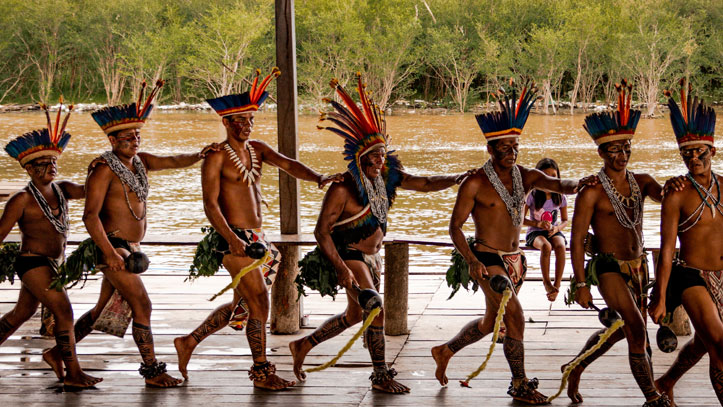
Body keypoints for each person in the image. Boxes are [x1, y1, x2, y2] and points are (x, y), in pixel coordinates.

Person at [289, 74, 472, 394]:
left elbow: (425, 184)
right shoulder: (342, 187)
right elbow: (321, 232)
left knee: (353, 314)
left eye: (382, 154)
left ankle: (303, 345)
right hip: (348, 253)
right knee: (375, 306)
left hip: (372, 257)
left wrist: (458, 177)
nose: (379, 160)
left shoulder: (388, 179)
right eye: (373, 155)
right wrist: (341, 267)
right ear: (359, 157)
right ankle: (379, 375)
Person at [173, 68, 341, 391]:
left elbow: (289, 164)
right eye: (241, 120)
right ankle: (262, 373)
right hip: (231, 239)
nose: (247, 125)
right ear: (226, 122)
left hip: (255, 239)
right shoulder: (217, 157)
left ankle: (189, 341)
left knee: (244, 305)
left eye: (251, 119)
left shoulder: (257, 149)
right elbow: (211, 205)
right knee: (261, 303)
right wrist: (232, 239)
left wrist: (319, 177)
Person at [42, 80, 217, 388]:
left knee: (100, 311)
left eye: (137, 136)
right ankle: (152, 371)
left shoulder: (142, 162)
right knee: (143, 305)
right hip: (112, 247)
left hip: (130, 246)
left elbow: (174, 161)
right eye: (126, 138)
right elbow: (89, 215)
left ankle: (57, 354)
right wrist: (110, 252)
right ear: (112, 140)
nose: (134, 141)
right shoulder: (103, 170)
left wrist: (201, 154)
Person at [431, 80, 585, 405]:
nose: (512, 154)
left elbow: (560, 184)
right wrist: (471, 262)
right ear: (490, 149)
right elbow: (454, 227)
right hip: (487, 261)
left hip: (515, 261)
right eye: (505, 149)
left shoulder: (527, 175)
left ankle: (444, 351)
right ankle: (520, 385)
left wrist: (587, 182)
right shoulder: (474, 183)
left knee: (491, 322)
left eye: (516, 148)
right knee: (515, 317)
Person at [564, 80, 670, 406]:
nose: (622, 156)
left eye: (626, 149)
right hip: (607, 266)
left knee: (624, 330)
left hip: (638, 265)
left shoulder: (643, 181)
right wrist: (580, 282)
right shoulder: (591, 190)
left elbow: (669, 198)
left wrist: (682, 183)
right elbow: (577, 240)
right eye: (614, 150)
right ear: (601, 152)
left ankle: (575, 366)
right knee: (637, 328)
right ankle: (653, 397)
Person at [0, 101, 102, 388]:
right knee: (65, 313)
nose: (51, 168)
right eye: (43, 164)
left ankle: (64, 365)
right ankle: (73, 373)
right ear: (29, 169)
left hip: (53, 263)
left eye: (53, 163)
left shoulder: (63, 189)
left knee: (22, 313)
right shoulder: (21, 199)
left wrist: (98, 168)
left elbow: (91, 191)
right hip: (32, 262)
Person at [649, 80, 722, 405]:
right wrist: (661, 298)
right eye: (687, 154)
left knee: (705, 343)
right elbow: (666, 251)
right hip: (691, 276)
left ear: (713, 151)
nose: (694, 158)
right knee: (720, 345)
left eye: (700, 152)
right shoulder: (676, 194)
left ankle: (666, 381)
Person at [523, 158, 568, 302]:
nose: (549, 179)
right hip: (535, 232)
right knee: (546, 246)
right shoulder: (532, 195)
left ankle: (557, 284)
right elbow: (520, 220)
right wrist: (538, 224)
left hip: (553, 230)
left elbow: (565, 220)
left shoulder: (560, 196)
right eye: (544, 176)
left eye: (553, 176)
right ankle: (546, 282)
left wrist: (557, 228)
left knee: (561, 245)